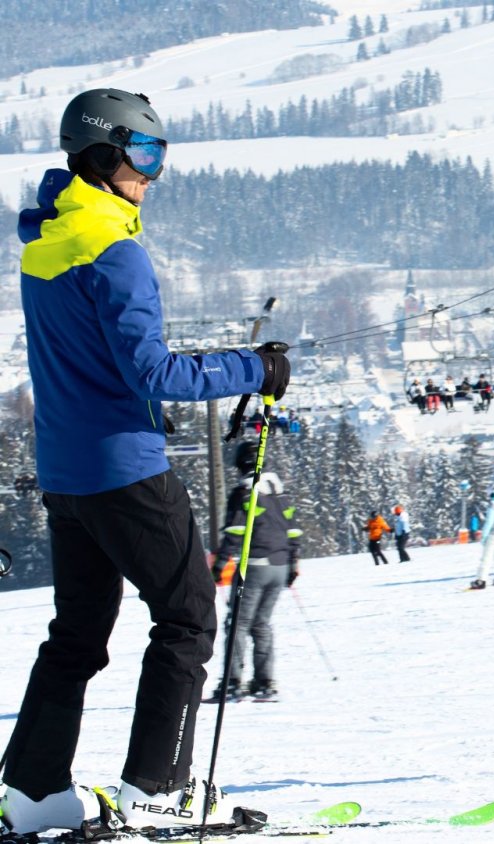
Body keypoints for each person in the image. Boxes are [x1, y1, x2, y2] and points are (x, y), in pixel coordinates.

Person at [0, 88, 290, 834]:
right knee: (189, 620)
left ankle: (34, 795)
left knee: (77, 635)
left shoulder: (47, 239)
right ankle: (158, 787)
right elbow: (154, 373)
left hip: (66, 474)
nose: (153, 174)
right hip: (125, 470)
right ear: (107, 152)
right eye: (147, 153)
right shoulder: (115, 250)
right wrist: (253, 369)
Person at [205, 441, 302, 703]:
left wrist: (219, 565)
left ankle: (232, 683)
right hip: (280, 567)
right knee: (261, 624)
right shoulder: (279, 493)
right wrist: (293, 563)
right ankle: (264, 682)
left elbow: (235, 532)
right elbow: (293, 531)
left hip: (255, 566)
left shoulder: (244, 492)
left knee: (237, 623)